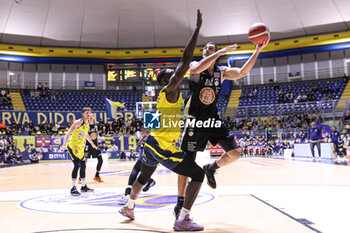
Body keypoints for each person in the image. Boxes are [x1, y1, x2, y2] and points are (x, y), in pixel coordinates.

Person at [119, 9, 204, 231]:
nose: (176, 75)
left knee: (143, 178)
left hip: (152, 144)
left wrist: (143, 137)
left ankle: (129, 207)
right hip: (163, 147)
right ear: (167, 80)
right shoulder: (171, 89)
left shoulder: (162, 98)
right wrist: (197, 30)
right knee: (198, 173)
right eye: (171, 74)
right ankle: (182, 218)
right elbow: (186, 60)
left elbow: (153, 121)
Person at [175, 29, 270, 217]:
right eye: (205, 49)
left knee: (235, 154)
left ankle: (212, 168)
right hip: (194, 121)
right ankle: (180, 202)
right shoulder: (196, 65)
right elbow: (195, 69)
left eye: (210, 49)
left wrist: (257, 50)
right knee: (187, 163)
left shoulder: (222, 72)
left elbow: (243, 72)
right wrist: (219, 52)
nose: (206, 51)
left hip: (213, 120)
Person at [59, 108, 98, 196]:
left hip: (80, 148)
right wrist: (64, 145)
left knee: (83, 165)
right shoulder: (78, 122)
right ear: (83, 114)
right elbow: (68, 133)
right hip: (73, 147)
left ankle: (83, 186)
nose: (88, 114)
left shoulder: (87, 124)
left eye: (89, 113)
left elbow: (86, 135)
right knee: (77, 164)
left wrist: (92, 144)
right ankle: (73, 187)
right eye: (87, 113)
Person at [120, 131, 156, 203]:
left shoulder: (154, 126)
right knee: (139, 170)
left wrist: (141, 140)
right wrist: (141, 141)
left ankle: (128, 193)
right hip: (152, 150)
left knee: (137, 170)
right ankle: (150, 181)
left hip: (152, 150)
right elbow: (147, 133)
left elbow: (148, 132)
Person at [81, 114, 104, 182]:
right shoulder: (86, 125)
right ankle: (81, 177)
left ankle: (97, 176)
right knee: (84, 161)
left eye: (92, 115)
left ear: (94, 117)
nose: (91, 117)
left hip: (95, 145)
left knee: (100, 160)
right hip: (88, 145)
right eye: (90, 116)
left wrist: (101, 136)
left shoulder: (97, 125)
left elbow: (99, 133)